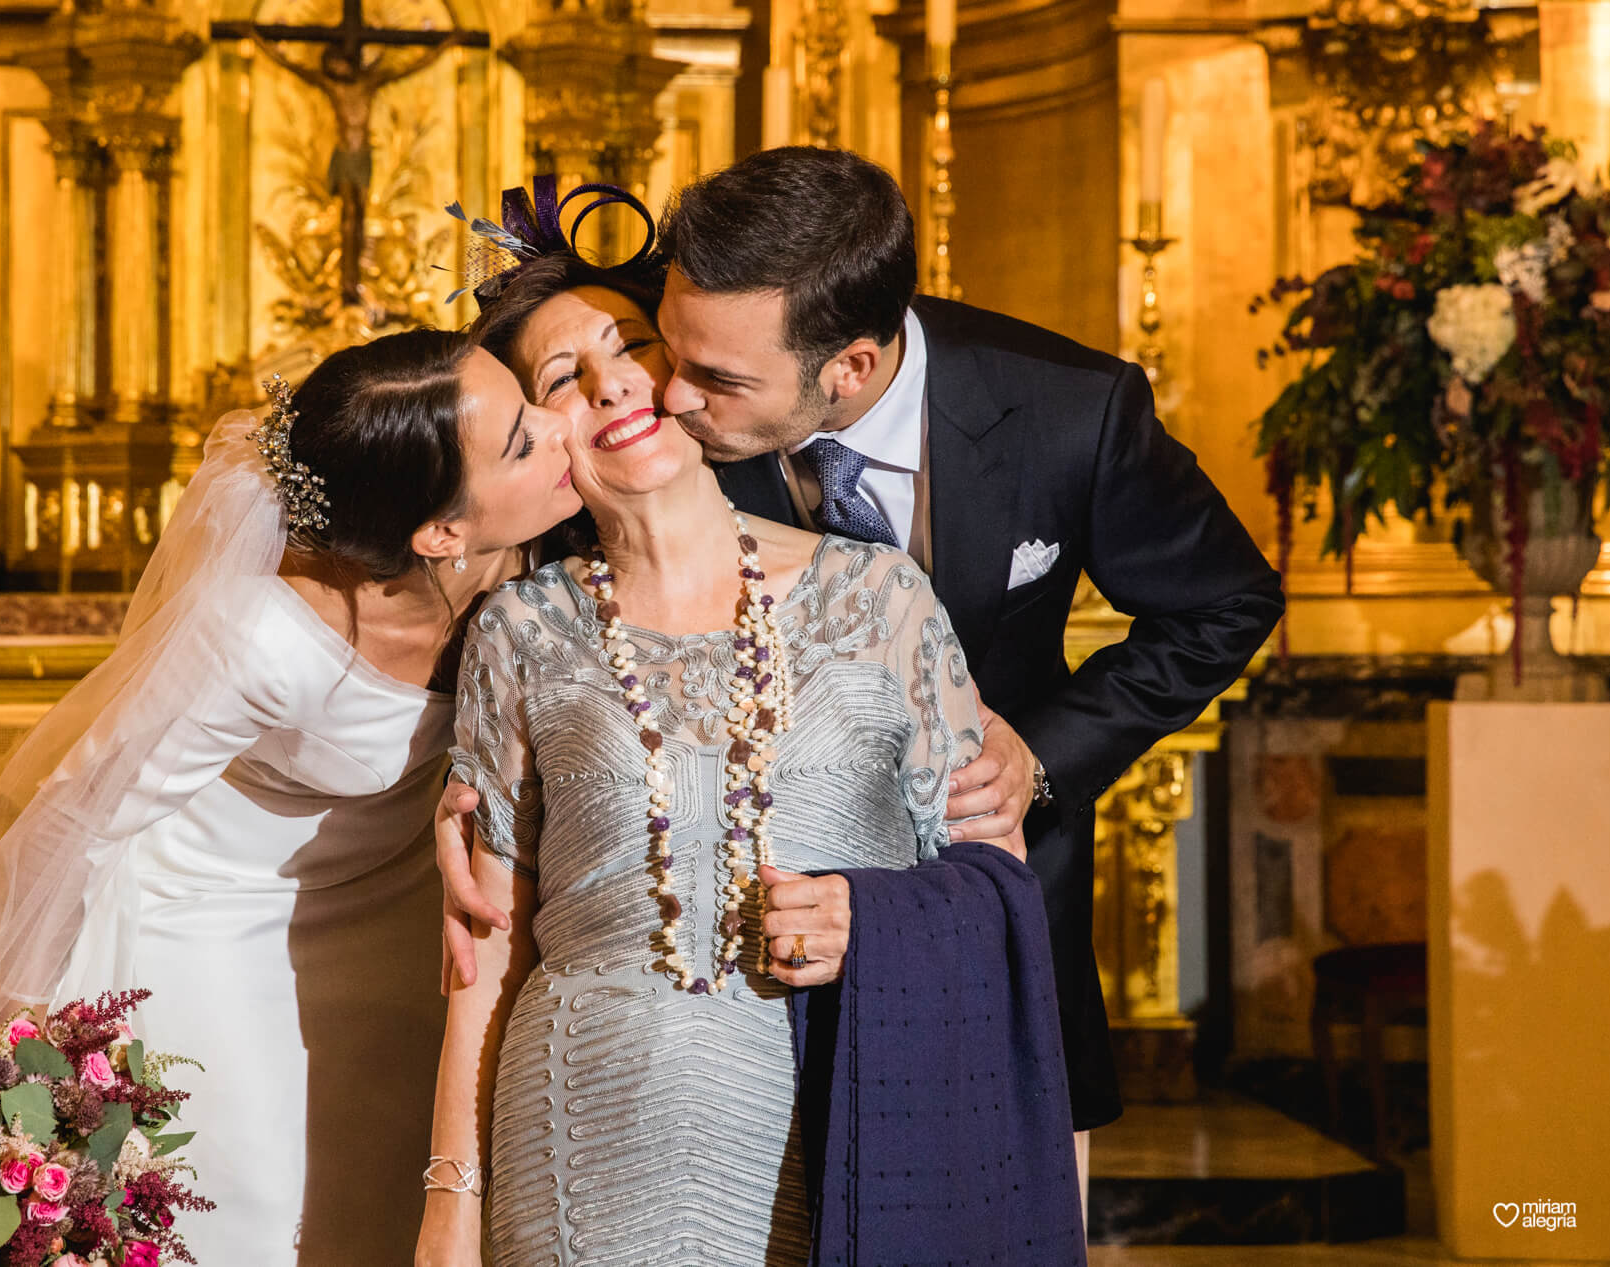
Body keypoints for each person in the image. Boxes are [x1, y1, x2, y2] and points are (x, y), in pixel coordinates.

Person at [438, 147, 1285, 1207]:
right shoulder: (671, 405)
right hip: (716, 1000)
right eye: (675, 350)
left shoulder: (1073, 410)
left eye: (720, 380)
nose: (674, 394)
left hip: (977, 918)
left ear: (848, 365)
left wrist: (1042, 750)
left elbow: (1225, 600)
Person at [0, 331, 581, 1266]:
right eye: (525, 441)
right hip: (212, 943)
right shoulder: (259, 638)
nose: (567, 428)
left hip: (390, 942)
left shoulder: (528, 570)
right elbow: (72, 815)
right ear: (438, 531)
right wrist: (21, 1056)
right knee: (250, 1206)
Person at [414, 231, 1085, 1266]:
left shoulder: (879, 595)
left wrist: (873, 916)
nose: (611, 383)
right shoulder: (520, 629)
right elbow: (484, 948)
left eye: (631, 343)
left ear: (688, 371)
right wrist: (450, 1205)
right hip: (584, 1123)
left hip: (839, 1102)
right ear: (533, 433)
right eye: (563, 376)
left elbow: (989, 877)